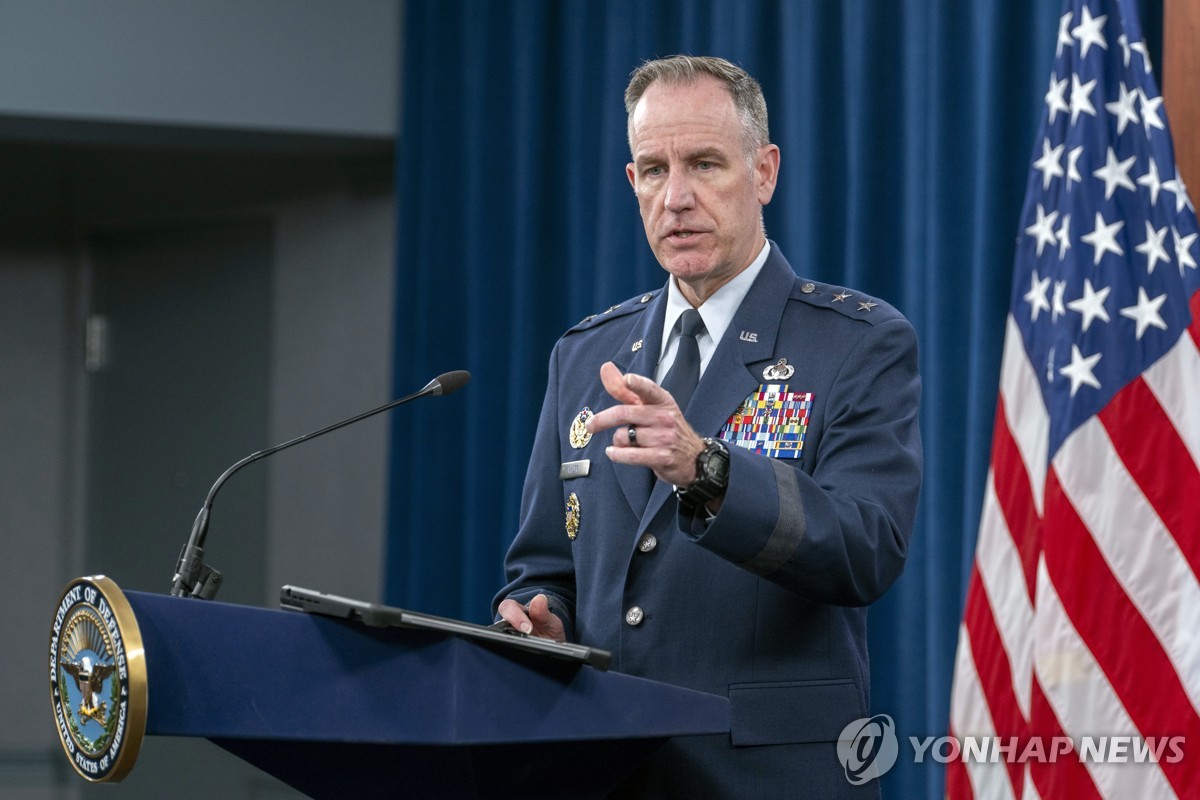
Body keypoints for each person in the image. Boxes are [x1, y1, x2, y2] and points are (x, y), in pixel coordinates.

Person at [494, 55, 921, 798]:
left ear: (764, 172)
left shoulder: (856, 341)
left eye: (704, 164)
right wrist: (540, 618)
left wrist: (708, 471)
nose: (677, 198)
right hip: (606, 770)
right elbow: (544, 563)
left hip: (766, 775)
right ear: (633, 185)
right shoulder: (586, 354)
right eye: (654, 171)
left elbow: (864, 550)